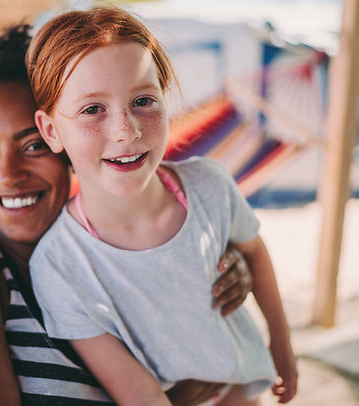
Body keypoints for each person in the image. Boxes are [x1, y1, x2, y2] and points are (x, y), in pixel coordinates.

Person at [0, 24, 258, 406]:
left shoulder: (110, 268)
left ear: (62, 139)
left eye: (32, 146)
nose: (8, 174)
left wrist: (220, 271)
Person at [27, 7, 298, 406]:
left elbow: (255, 253)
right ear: (51, 131)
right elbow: (138, 394)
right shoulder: (58, 267)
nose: (127, 130)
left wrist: (282, 342)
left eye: (143, 100)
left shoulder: (210, 186)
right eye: (92, 109)